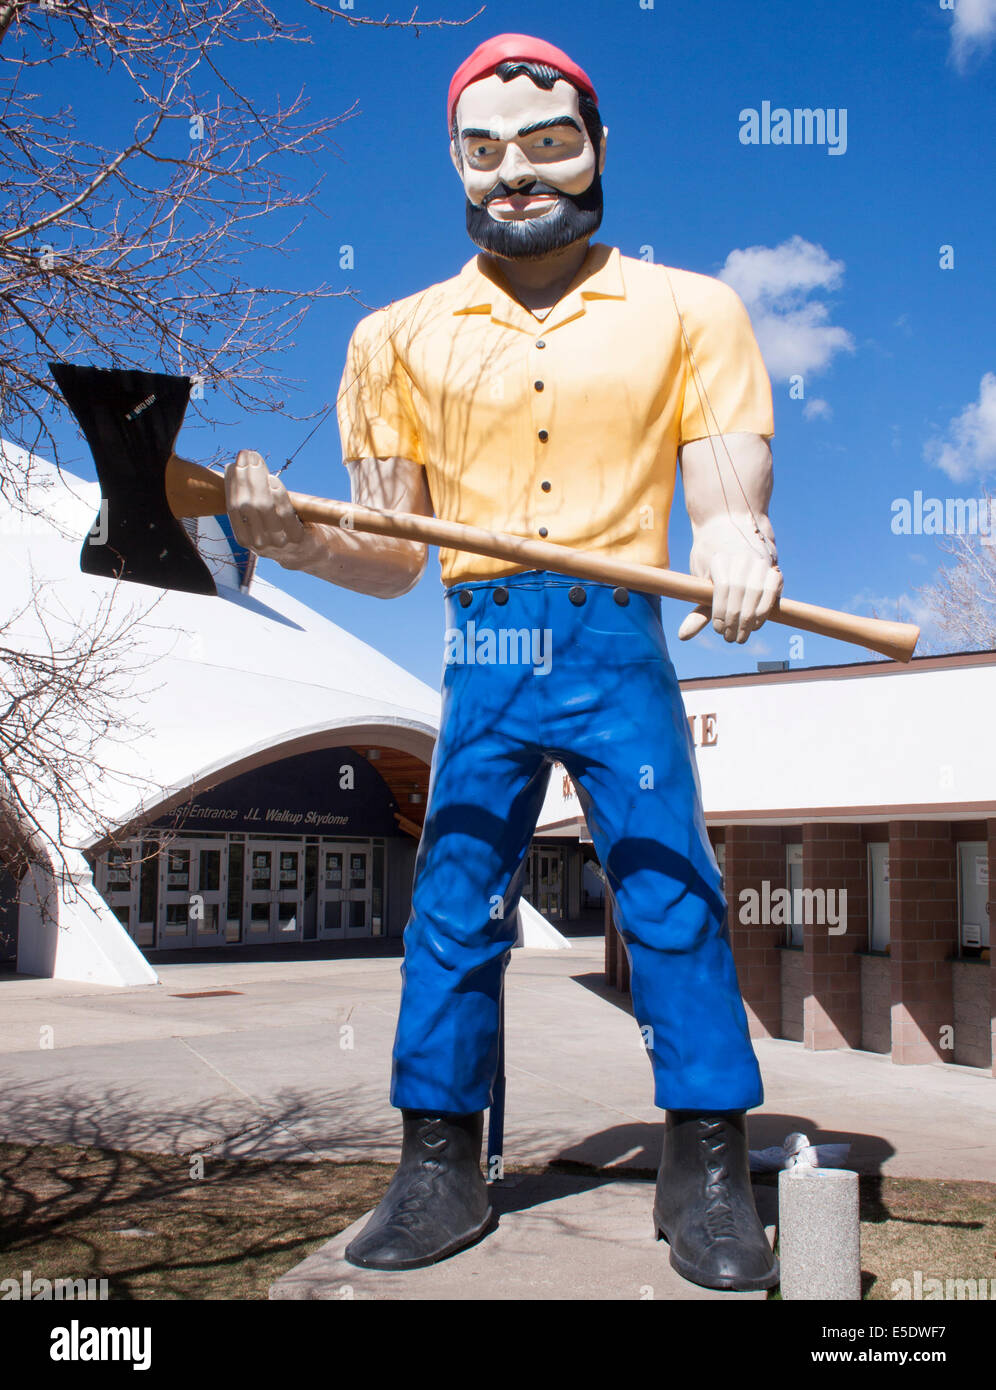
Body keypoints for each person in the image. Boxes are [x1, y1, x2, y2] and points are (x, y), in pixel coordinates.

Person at [224, 32, 783, 1291]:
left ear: (595, 145)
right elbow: (386, 552)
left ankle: (706, 1163)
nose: (516, 173)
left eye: (545, 143)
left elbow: (728, 494)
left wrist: (743, 538)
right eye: (484, 151)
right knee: (455, 889)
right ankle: (437, 1163)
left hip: (616, 627)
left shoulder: (693, 311)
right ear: (457, 164)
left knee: (666, 884)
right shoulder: (396, 338)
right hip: (485, 635)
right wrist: (290, 540)